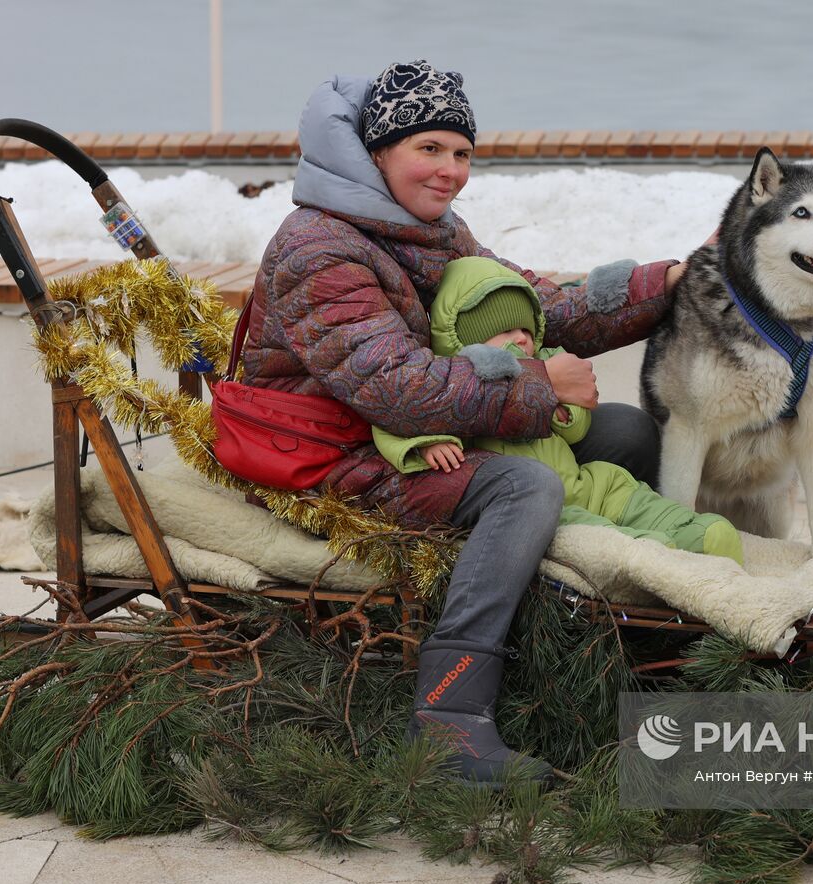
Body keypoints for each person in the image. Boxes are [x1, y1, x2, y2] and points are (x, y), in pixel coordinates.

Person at [242, 60, 697, 787]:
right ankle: (451, 716)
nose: (452, 171)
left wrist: (671, 282)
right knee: (523, 486)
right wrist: (542, 386)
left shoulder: (433, 232)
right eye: (430, 149)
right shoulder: (318, 248)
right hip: (330, 457)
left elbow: (537, 308)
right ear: (375, 151)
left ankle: (613, 635)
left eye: (462, 153)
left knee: (624, 433)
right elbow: (396, 388)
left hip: (424, 440)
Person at [372, 256, 744, 563]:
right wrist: (427, 443)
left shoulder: (549, 363)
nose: (521, 338)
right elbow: (394, 420)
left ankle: (694, 532)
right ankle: (652, 554)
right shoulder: (450, 380)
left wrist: (563, 408)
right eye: (504, 332)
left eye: (525, 329)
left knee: (619, 488)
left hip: (576, 480)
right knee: (582, 527)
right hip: (536, 502)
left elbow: (577, 431)